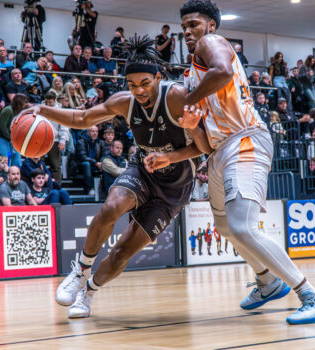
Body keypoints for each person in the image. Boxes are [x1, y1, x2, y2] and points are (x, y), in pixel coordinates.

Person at [17, 34, 205, 319]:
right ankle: (81, 271)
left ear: (158, 77)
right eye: (132, 85)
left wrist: (171, 156)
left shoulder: (177, 97)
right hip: (143, 170)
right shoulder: (125, 102)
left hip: (174, 189)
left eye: (145, 83)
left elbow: (204, 147)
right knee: (110, 207)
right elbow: (82, 119)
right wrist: (43, 110)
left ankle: (88, 293)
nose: (139, 90)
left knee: (121, 253)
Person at [179, 0, 315, 324]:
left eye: (193, 24)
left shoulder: (211, 45)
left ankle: (312, 296)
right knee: (225, 227)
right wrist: (190, 127)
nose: (188, 32)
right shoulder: (191, 74)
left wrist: (187, 101)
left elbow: (222, 72)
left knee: (241, 226)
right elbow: (205, 142)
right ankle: (267, 281)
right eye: (184, 27)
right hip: (219, 150)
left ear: (211, 25)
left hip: (245, 139)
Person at [42, 91, 70, 183]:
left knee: (56, 165)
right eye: (47, 102)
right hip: (41, 139)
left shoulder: (60, 111)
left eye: (50, 102)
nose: (48, 104)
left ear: (54, 101)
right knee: (39, 163)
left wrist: (63, 141)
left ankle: (57, 186)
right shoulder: (40, 108)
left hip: (55, 139)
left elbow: (64, 126)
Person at [0, 94, 26, 167]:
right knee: (5, 160)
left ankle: (16, 175)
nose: (25, 105)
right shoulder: (8, 110)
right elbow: (2, 126)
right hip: (1, 138)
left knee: (17, 160)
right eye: (24, 103)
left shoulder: (19, 113)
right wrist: (10, 138)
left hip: (13, 140)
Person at [76, 126, 105, 195]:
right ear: (88, 132)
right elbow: (82, 156)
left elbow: (104, 155)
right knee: (87, 164)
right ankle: (89, 188)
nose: (95, 133)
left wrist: (101, 162)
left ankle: (106, 189)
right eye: (93, 131)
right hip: (81, 166)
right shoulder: (81, 141)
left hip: (95, 164)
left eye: (96, 131)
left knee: (107, 163)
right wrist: (95, 162)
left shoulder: (100, 142)